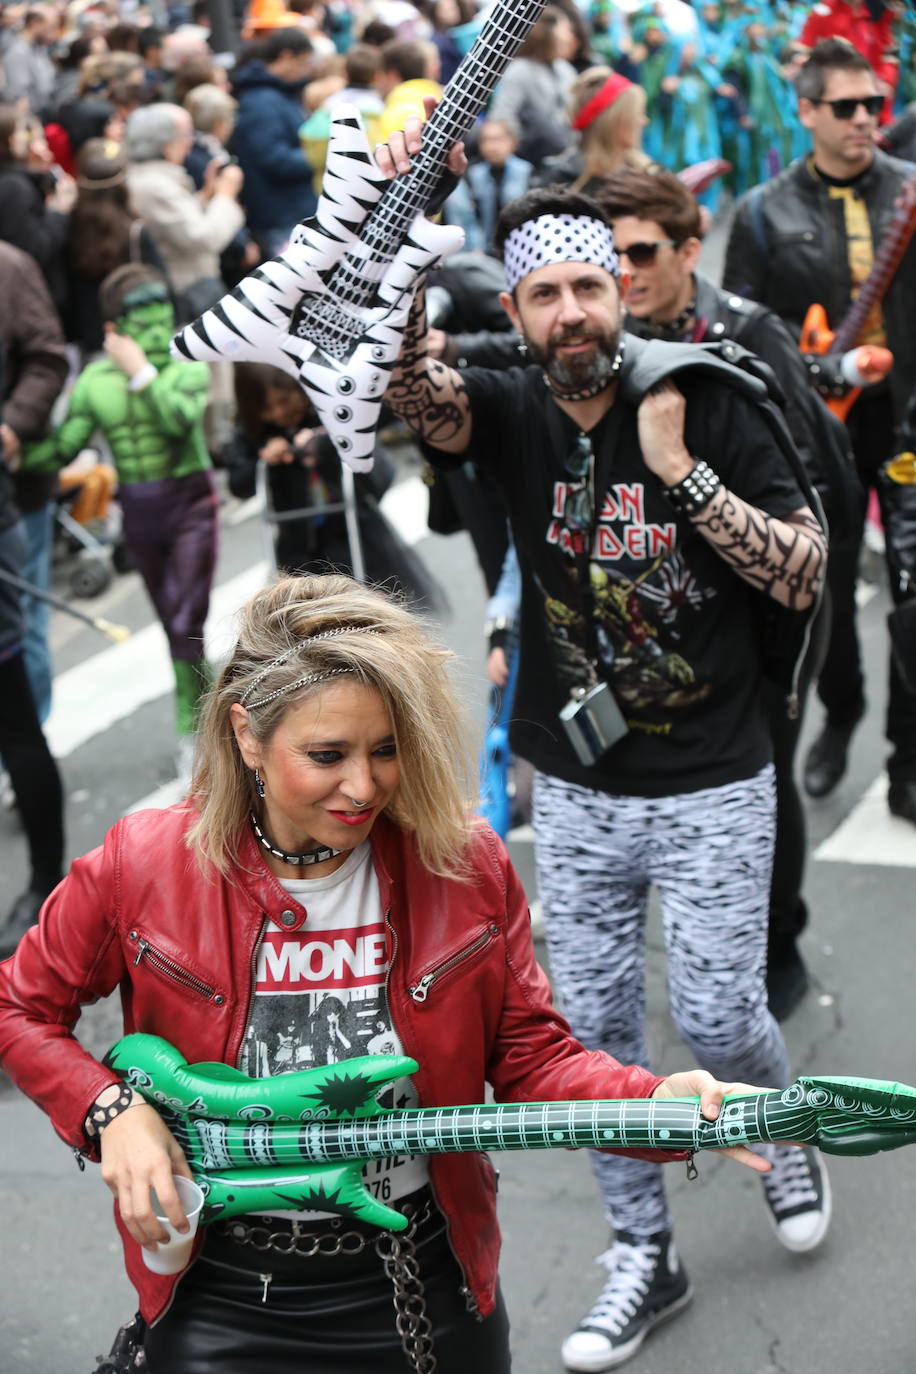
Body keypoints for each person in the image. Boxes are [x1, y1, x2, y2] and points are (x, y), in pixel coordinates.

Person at [0, 570, 774, 1374]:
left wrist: (657, 1101)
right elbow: (18, 1007)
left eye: (387, 749)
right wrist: (112, 1112)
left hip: (422, 1279)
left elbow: (531, 1058)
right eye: (326, 755)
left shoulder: (463, 863)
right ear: (247, 735)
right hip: (218, 1283)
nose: (364, 787)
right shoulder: (145, 862)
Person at [380, 113, 831, 1368]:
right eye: (546, 293)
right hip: (575, 782)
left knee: (721, 1013)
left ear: (621, 291)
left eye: (592, 284)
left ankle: (778, 1131)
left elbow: (801, 573)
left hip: (713, 775)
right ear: (518, 311)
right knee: (585, 1041)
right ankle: (645, 1250)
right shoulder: (513, 411)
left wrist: (679, 471)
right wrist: (408, 239)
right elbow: (416, 391)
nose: (573, 310)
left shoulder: (704, 393)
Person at [596, 163, 861, 1023]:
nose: (624, 272)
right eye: (609, 254)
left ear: (688, 247)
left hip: (761, 611)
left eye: (641, 252)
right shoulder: (590, 337)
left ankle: (776, 942)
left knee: (760, 773)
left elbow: (811, 495)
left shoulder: (748, 333)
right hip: (648, 614)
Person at [723, 38, 916, 825]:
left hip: (907, 422)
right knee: (825, 590)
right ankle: (842, 710)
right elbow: (736, 335)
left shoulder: (910, 192)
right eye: (846, 107)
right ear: (805, 113)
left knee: (912, 592)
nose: (866, 119)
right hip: (815, 433)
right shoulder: (766, 212)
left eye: (874, 104)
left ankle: (908, 755)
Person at [23, 264, 217, 769]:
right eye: (144, 325)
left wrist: (143, 372)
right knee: (174, 622)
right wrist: (17, 448)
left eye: (163, 320)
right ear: (113, 331)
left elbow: (178, 421)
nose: (158, 333)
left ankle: (194, 724)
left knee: (186, 616)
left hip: (192, 504)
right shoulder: (93, 381)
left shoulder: (187, 362)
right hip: (139, 511)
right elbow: (64, 447)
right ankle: (212, 710)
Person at [226, 361, 445, 610]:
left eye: (284, 401)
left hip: (355, 530)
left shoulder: (326, 402)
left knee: (375, 608)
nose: (278, 413)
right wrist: (265, 457)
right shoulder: (252, 433)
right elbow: (238, 484)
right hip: (298, 543)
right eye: (266, 408)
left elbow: (377, 413)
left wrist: (323, 443)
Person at [0, 241, 68, 951]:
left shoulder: (7, 268)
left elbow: (48, 358)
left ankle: (48, 884)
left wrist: (9, 429)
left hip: (2, 510)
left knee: (15, 718)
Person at [229, 25, 318, 257]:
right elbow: (274, 158)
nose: (306, 70)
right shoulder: (262, 101)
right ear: (287, 56)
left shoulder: (276, 94)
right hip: (280, 215)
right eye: (304, 62)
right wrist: (317, 157)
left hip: (290, 209)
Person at [531, 66, 650, 195]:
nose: (644, 121)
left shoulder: (645, 175)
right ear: (613, 122)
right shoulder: (560, 181)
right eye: (637, 114)